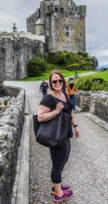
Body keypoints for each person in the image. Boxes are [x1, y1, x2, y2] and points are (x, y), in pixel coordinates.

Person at [38, 70, 79, 203]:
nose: (57, 83)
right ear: (50, 83)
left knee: (63, 160)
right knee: (57, 164)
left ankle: (56, 184)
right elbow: (40, 117)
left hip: (65, 134)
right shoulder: (48, 98)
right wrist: (56, 111)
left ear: (63, 81)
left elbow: (70, 112)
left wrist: (75, 126)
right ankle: (58, 193)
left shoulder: (64, 94)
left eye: (60, 80)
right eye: (54, 81)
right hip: (55, 136)